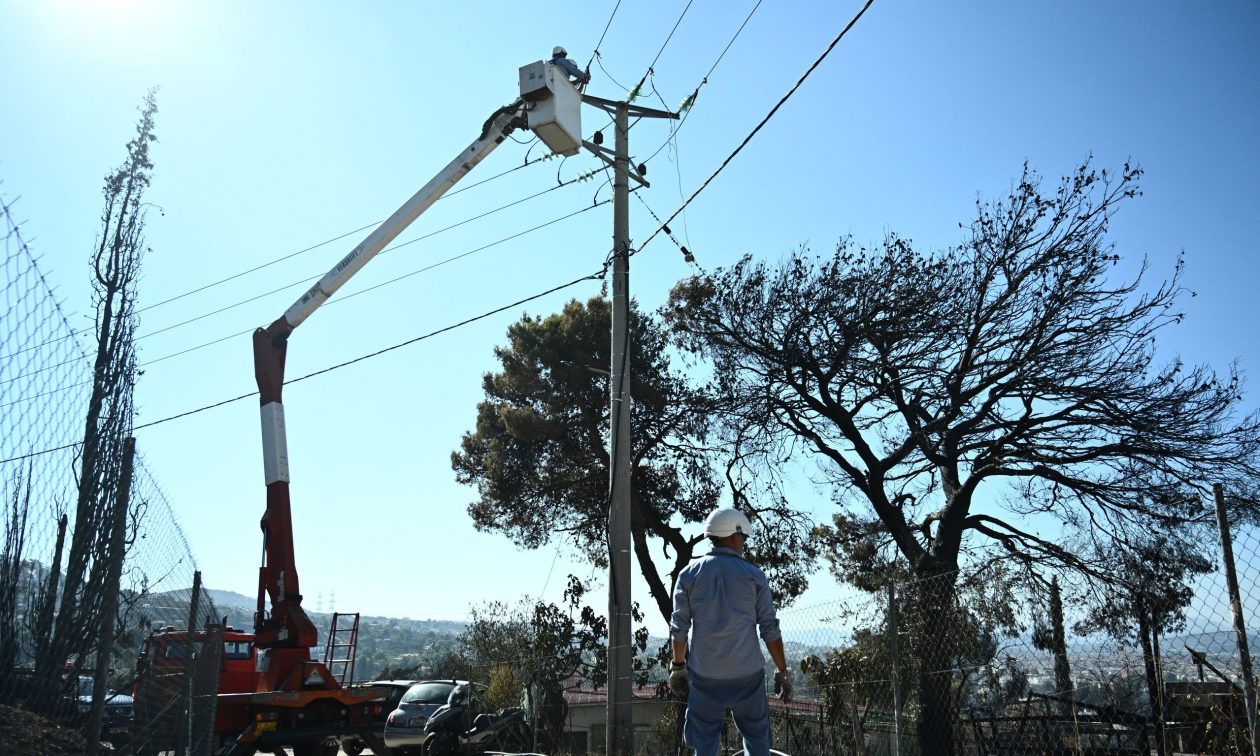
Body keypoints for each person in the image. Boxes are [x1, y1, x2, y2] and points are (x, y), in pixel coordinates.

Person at [669, 507, 792, 756]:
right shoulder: (755, 576)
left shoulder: (688, 575)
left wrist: (678, 666)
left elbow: (679, 627)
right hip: (747, 674)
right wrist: (782, 669)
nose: (744, 542)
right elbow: (769, 628)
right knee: (757, 743)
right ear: (734, 536)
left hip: (705, 674)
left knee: (704, 745)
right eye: (743, 536)